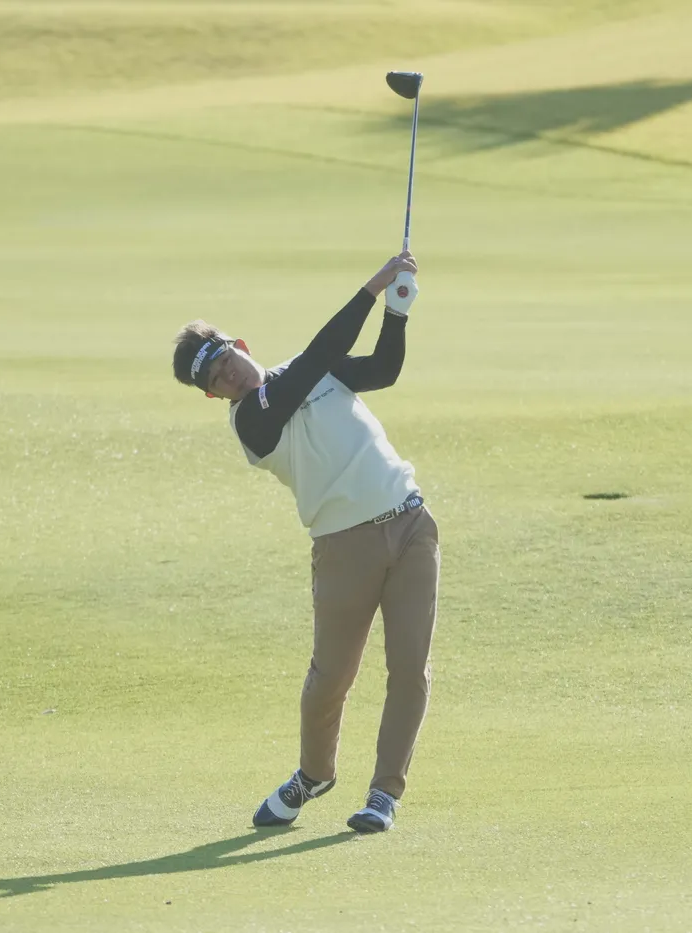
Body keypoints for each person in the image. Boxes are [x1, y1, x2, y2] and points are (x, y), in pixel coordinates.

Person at [170, 251, 437, 833]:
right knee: (329, 679)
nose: (230, 376)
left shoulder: (308, 371)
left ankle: (383, 794)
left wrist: (397, 312)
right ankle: (314, 774)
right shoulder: (251, 422)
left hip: (412, 526)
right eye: (217, 380)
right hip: (344, 547)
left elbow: (383, 370)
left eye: (227, 361)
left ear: (241, 345)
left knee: (410, 669)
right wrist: (372, 287)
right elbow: (316, 359)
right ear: (214, 395)